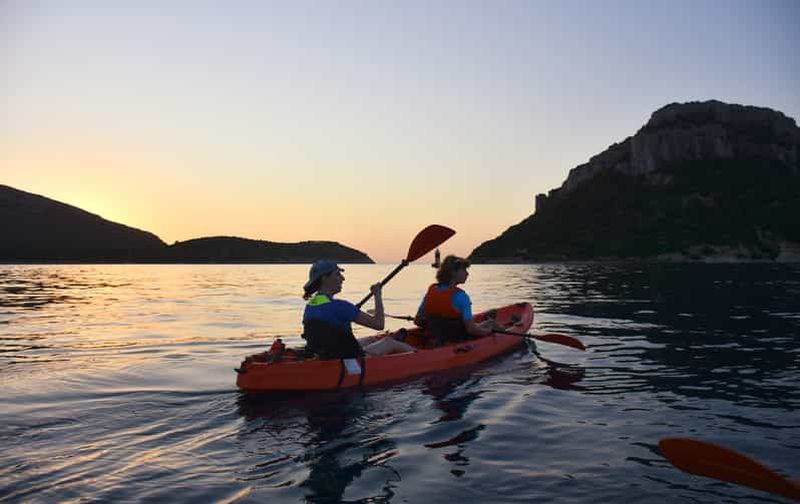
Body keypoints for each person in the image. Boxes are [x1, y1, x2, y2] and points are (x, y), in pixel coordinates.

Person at [302, 260, 416, 359]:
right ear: (324, 278)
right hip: (349, 357)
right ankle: (421, 355)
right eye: (337, 275)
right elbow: (379, 324)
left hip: (325, 353)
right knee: (388, 342)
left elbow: (330, 316)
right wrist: (377, 295)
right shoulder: (342, 307)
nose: (343, 278)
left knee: (370, 340)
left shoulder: (311, 304)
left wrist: (351, 313)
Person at [414, 255, 502, 346]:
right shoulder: (461, 297)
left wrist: (434, 323)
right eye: (464, 270)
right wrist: (488, 332)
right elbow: (471, 329)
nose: (467, 274)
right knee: (491, 323)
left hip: (438, 337)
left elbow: (417, 321)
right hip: (460, 339)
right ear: (453, 273)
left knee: (484, 322)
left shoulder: (431, 292)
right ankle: (505, 336)